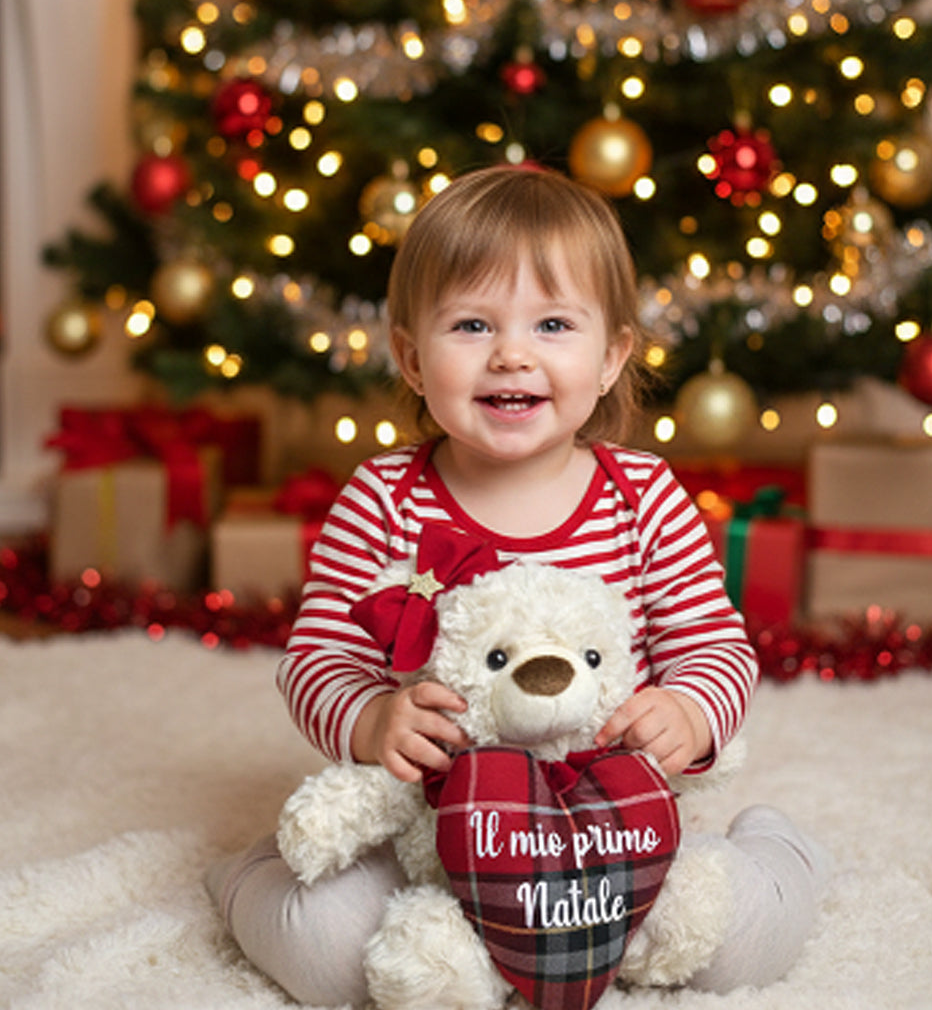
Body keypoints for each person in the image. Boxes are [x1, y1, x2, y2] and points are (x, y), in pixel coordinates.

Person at [206, 165, 830, 1007]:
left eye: (553, 324)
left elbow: (715, 645)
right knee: (332, 954)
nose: (511, 353)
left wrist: (689, 712)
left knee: (728, 944)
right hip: (431, 835)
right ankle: (247, 878)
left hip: (610, 830)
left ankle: (780, 851)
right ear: (411, 358)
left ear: (610, 358)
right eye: (471, 324)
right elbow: (318, 658)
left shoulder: (643, 497)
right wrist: (371, 717)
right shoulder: (383, 500)